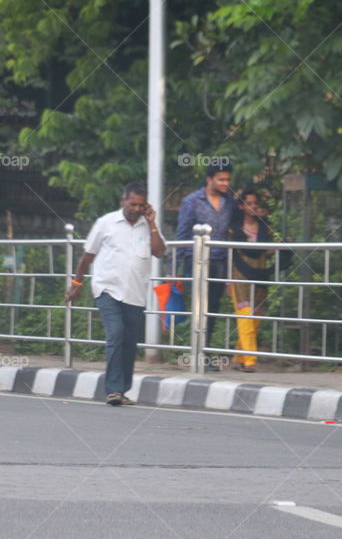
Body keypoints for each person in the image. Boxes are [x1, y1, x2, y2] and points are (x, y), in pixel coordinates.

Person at [66, 183, 166, 406]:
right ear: (123, 202)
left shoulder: (147, 227)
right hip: (107, 289)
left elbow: (159, 252)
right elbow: (88, 256)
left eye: (141, 205)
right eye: (133, 204)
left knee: (130, 342)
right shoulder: (106, 223)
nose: (137, 209)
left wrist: (152, 223)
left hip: (135, 294)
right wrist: (76, 282)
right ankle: (112, 390)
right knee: (116, 333)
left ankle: (122, 389)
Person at [175, 164, 237, 361]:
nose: (226, 184)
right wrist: (173, 269)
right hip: (196, 261)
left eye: (228, 180)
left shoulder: (230, 202)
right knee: (199, 308)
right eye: (221, 180)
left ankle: (205, 352)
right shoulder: (191, 201)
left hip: (220, 261)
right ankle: (196, 353)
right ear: (209, 180)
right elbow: (182, 234)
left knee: (213, 308)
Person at [226, 189, 291, 373]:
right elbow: (231, 255)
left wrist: (280, 247)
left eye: (256, 203)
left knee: (256, 319)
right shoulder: (234, 230)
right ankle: (250, 361)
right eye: (249, 203)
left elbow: (265, 251)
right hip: (240, 277)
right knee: (246, 316)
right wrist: (228, 282)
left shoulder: (265, 228)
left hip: (260, 274)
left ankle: (238, 357)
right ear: (241, 206)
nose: (253, 207)